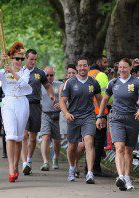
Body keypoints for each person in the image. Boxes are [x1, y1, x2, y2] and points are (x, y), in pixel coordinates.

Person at [96, 58, 139, 191]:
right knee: (119, 148)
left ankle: (127, 176)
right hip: (116, 119)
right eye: (120, 67)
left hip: (132, 118)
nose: (122, 69)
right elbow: (105, 99)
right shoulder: (113, 82)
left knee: (128, 151)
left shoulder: (137, 82)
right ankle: (121, 177)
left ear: (130, 68)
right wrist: (101, 116)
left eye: (125, 67)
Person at [0, 41, 32, 182]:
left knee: (19, 137)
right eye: (17, 58)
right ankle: (10, 168)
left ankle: (16, 165)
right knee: (10, 136)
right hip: (8, 102)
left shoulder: (25, 71)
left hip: (22, 102)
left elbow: (24, 83)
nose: (19, 61)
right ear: (11, 58)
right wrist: (0, 62)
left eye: (21, 58)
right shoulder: (4, 71)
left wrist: (13, 71)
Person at [60, 56, 102, 184]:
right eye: (80, 66)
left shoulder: (93, 82)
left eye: (85, 65)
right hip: (73, 117)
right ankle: (72, 168)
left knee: (89, 141)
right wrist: (66, 113)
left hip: (89, 116)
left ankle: (90, 173)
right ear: (77, 68)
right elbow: (62, 100)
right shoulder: (70, 82)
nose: (82, 68)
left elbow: (100, 99)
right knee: (72, 146)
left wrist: (100, 115)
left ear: (88, 67)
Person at [21, 49, 55, 175]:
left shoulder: (40, 72)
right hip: (22, 104)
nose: (33, 62)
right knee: (23, 135)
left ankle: (29, 160)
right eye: (31, 59)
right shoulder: (20, 71)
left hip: (35, 105)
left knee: (33, 137)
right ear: (26, 59)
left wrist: (51, 95)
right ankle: (24, 163)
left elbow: (47, 86)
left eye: (35, 59)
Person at [88, 55, 110, 177]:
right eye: (104, 62)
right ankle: (95, 168)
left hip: (87, 113)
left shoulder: (87, 74)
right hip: (99, 113)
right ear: (98, 62)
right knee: (99, 142)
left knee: (89, 141)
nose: (106, 64)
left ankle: (88, 167)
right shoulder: (102, 75)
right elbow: (108, 96)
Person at [39, 66, 62, 171]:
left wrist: (60, 105)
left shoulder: (60, 85)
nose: (49, 77)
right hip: (45, 114)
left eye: (51, 75)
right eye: (46, 75)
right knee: (45, 137)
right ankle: (45, 162)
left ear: (54, 74)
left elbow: (65, 99)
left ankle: (56, 158)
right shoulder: (40, 86)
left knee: (57, 141)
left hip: (57, 116)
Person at [59, 64, 77, 150]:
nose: (71, 75)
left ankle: (74, 161)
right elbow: (61, 101)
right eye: (69, 73)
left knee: (77, 142)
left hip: (77, 114)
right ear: (67, 74)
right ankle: (71, 162)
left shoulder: (80, 85)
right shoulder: (62, 86)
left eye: (73, 73)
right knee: (70, 140)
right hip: (65, 114)